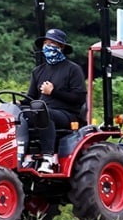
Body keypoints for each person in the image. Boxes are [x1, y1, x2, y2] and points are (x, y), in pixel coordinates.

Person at [23, 28, 87, 172]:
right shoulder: (38, 71)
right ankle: (22, 155)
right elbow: (30, 98)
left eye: (52, 43)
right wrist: (17, 105)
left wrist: (53, 92)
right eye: (46, 43)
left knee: (44, 112)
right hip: (41, 111)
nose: (48, 46)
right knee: (18, 115)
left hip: (67, 115)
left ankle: (48, 158)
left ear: (61, 47)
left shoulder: (73, 69)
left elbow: (79, 98)